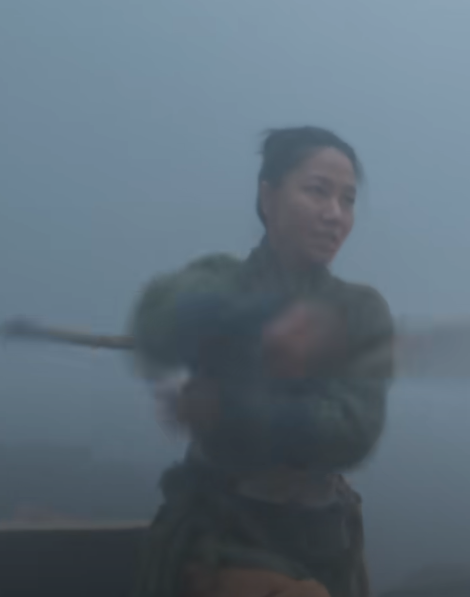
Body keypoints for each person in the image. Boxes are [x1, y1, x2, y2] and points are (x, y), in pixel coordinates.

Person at [128, 126, 395, 597]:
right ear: (268, 197)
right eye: (317, 191)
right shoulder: (220, 278)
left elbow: (355, 432)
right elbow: (157, 321)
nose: (334, 214)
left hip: (322, 544)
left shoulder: (359, 310)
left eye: (348, 200)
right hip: (221, 540)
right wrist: (258, 320)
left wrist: (238, 408)